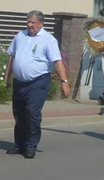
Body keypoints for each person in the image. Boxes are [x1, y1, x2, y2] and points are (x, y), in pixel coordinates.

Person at [5, 11, 71, 158]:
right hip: (20, 82)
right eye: (28, 22)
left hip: (38, 82)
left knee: (32, 113)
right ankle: (19, 145)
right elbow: (12, 56)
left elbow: (57, 61)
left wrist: (64, 82)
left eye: (32, 23)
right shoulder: (20, 36)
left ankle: (31, 146)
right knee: (19, 113)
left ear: (41, 23)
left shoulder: (48, 40)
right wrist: (7, 77)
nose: (29, 25)